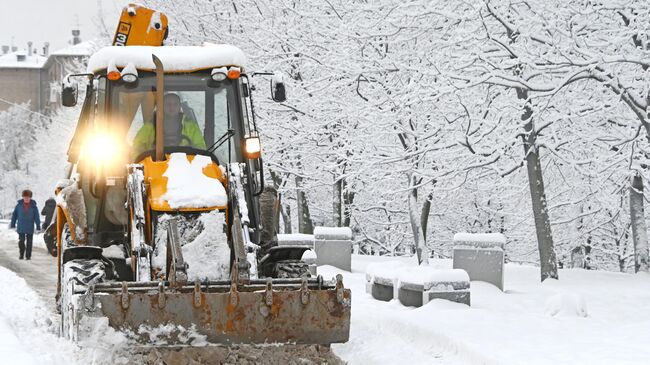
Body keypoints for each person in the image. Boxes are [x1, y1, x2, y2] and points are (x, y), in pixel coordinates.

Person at [133, 93, 206, 154]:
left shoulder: (190, 126)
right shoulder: (150, 125)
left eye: (175, 104)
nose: (172, 107)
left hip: (186, 164)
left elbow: (200, 147)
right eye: (168, 104)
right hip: (155, 164)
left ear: (179, 106)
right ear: (162, 106)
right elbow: (136, 147)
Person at [9, 190, 41, 260]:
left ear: (30, 197)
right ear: (23, 197)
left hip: (30, 227)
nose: (26, 198)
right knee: (21, 241)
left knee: (29, 242)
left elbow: (37, 217)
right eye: (25, 197)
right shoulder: (18, 205)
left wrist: (38, 227)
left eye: (28, 197)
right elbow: (14, 215)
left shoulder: (34, 207)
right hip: (21, 226)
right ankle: (21, 254)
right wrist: (13, 224)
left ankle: (28, 256)